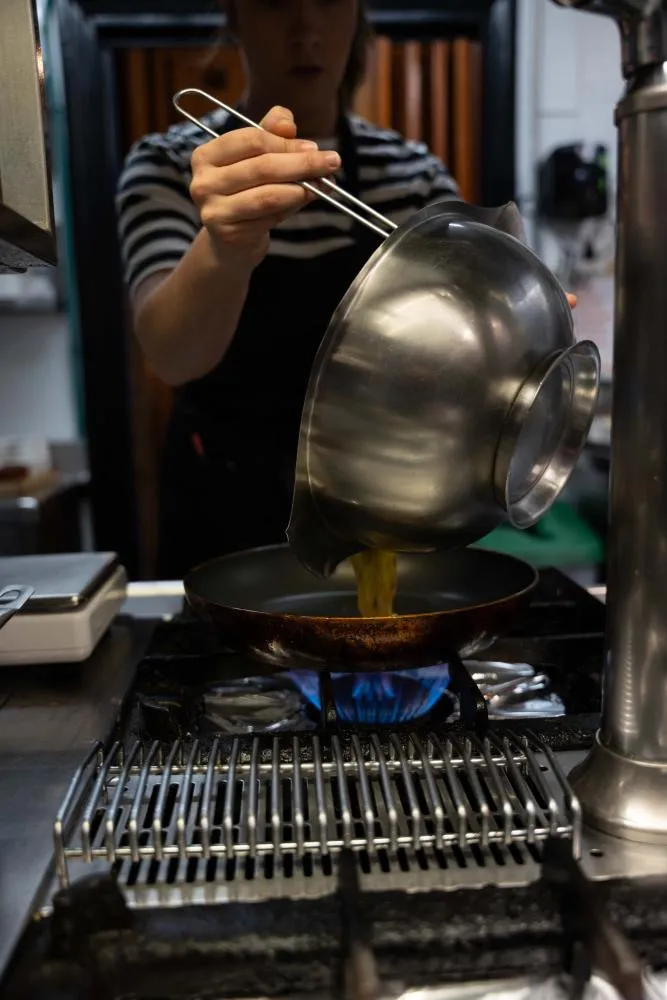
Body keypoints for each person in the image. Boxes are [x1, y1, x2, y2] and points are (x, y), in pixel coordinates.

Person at [116, 0, 573, 578]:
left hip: (385, 497)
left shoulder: (413, 175)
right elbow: (172, 354)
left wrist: (514, 322)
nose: (305, 28)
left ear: (356, 17)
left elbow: (458, 343)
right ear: (235, 15)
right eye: (277, 4)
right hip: (228, 513)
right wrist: (227, 246)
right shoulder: (168, 165)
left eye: (330, 2)